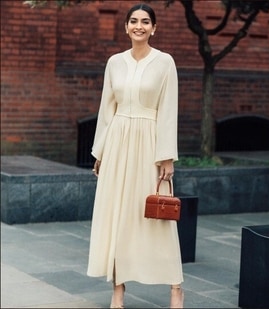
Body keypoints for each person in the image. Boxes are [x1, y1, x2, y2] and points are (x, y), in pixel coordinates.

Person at [86, 3, 184, 308]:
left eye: (145, 21)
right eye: (133, 21)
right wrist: (100, 151)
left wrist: (166, 156)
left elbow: (169, 110)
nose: (139, 26)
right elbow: (107, 109)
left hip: (149, 144)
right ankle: (118, 291)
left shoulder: (165, 62)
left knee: (156, 218)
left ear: (154, 28)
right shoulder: (114, 62)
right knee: (117, 216)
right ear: (126, 27)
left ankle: (176, 287)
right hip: (117, 143)